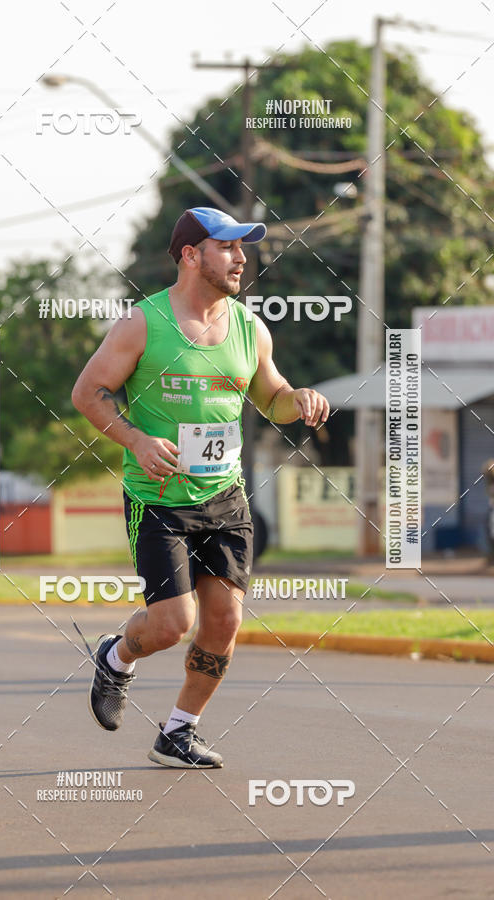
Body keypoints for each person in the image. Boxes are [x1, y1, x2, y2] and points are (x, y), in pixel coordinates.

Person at [71, 206, 330, 768]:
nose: (241, 258)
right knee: (172, 624)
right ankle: (116, 657)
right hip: (159, 499)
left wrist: (299, 399)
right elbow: (89, 393)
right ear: (191, 255)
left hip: (226, 497)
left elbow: (272, 397)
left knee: (225, 621)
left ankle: (179, 732)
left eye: (243, 249)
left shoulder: (248, 327)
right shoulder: (142, 324)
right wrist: (136, 440)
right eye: (227, 247)